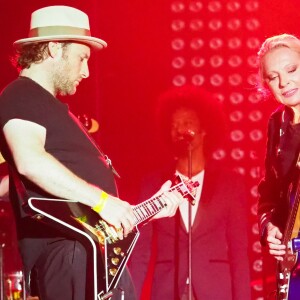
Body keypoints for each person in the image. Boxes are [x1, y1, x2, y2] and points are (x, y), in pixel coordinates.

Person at [0, 6, 183, 300]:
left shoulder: (55, 112)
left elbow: (76, 209)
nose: (86, 71)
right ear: (53, 49)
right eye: (81, 58)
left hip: (92, 256)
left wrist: (142, 212)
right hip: (70, 257)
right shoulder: (22, 95)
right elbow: (30, 161)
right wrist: (102, 201)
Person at [129, 86, 251, 300]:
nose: (180, 130)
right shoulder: (154, 184)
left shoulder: (229, 184)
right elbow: (141, 250)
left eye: (187, 123)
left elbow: (239, 252)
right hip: (168, 289)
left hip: (215, 289)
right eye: (174, 125)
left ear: (204, 130)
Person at [257, 34, 300, 262]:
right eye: (273, 77)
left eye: (292, 69)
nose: (284, 83)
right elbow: (270, 192)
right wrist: (269, 225)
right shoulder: (277, 122)